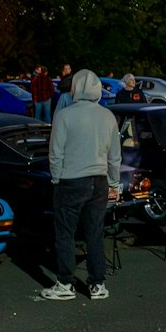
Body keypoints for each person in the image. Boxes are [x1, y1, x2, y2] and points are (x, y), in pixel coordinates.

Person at [42, 70, 119, 301]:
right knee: (94, 233)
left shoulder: (64, 115)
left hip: (71, 180)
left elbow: (55, 153)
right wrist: (114, 183)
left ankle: (66, 282)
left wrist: (56, 178)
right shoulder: (108, 116)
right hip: (99, 180)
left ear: (75, 88)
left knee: (65, 233)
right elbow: (114, 156)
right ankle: (97, 283)